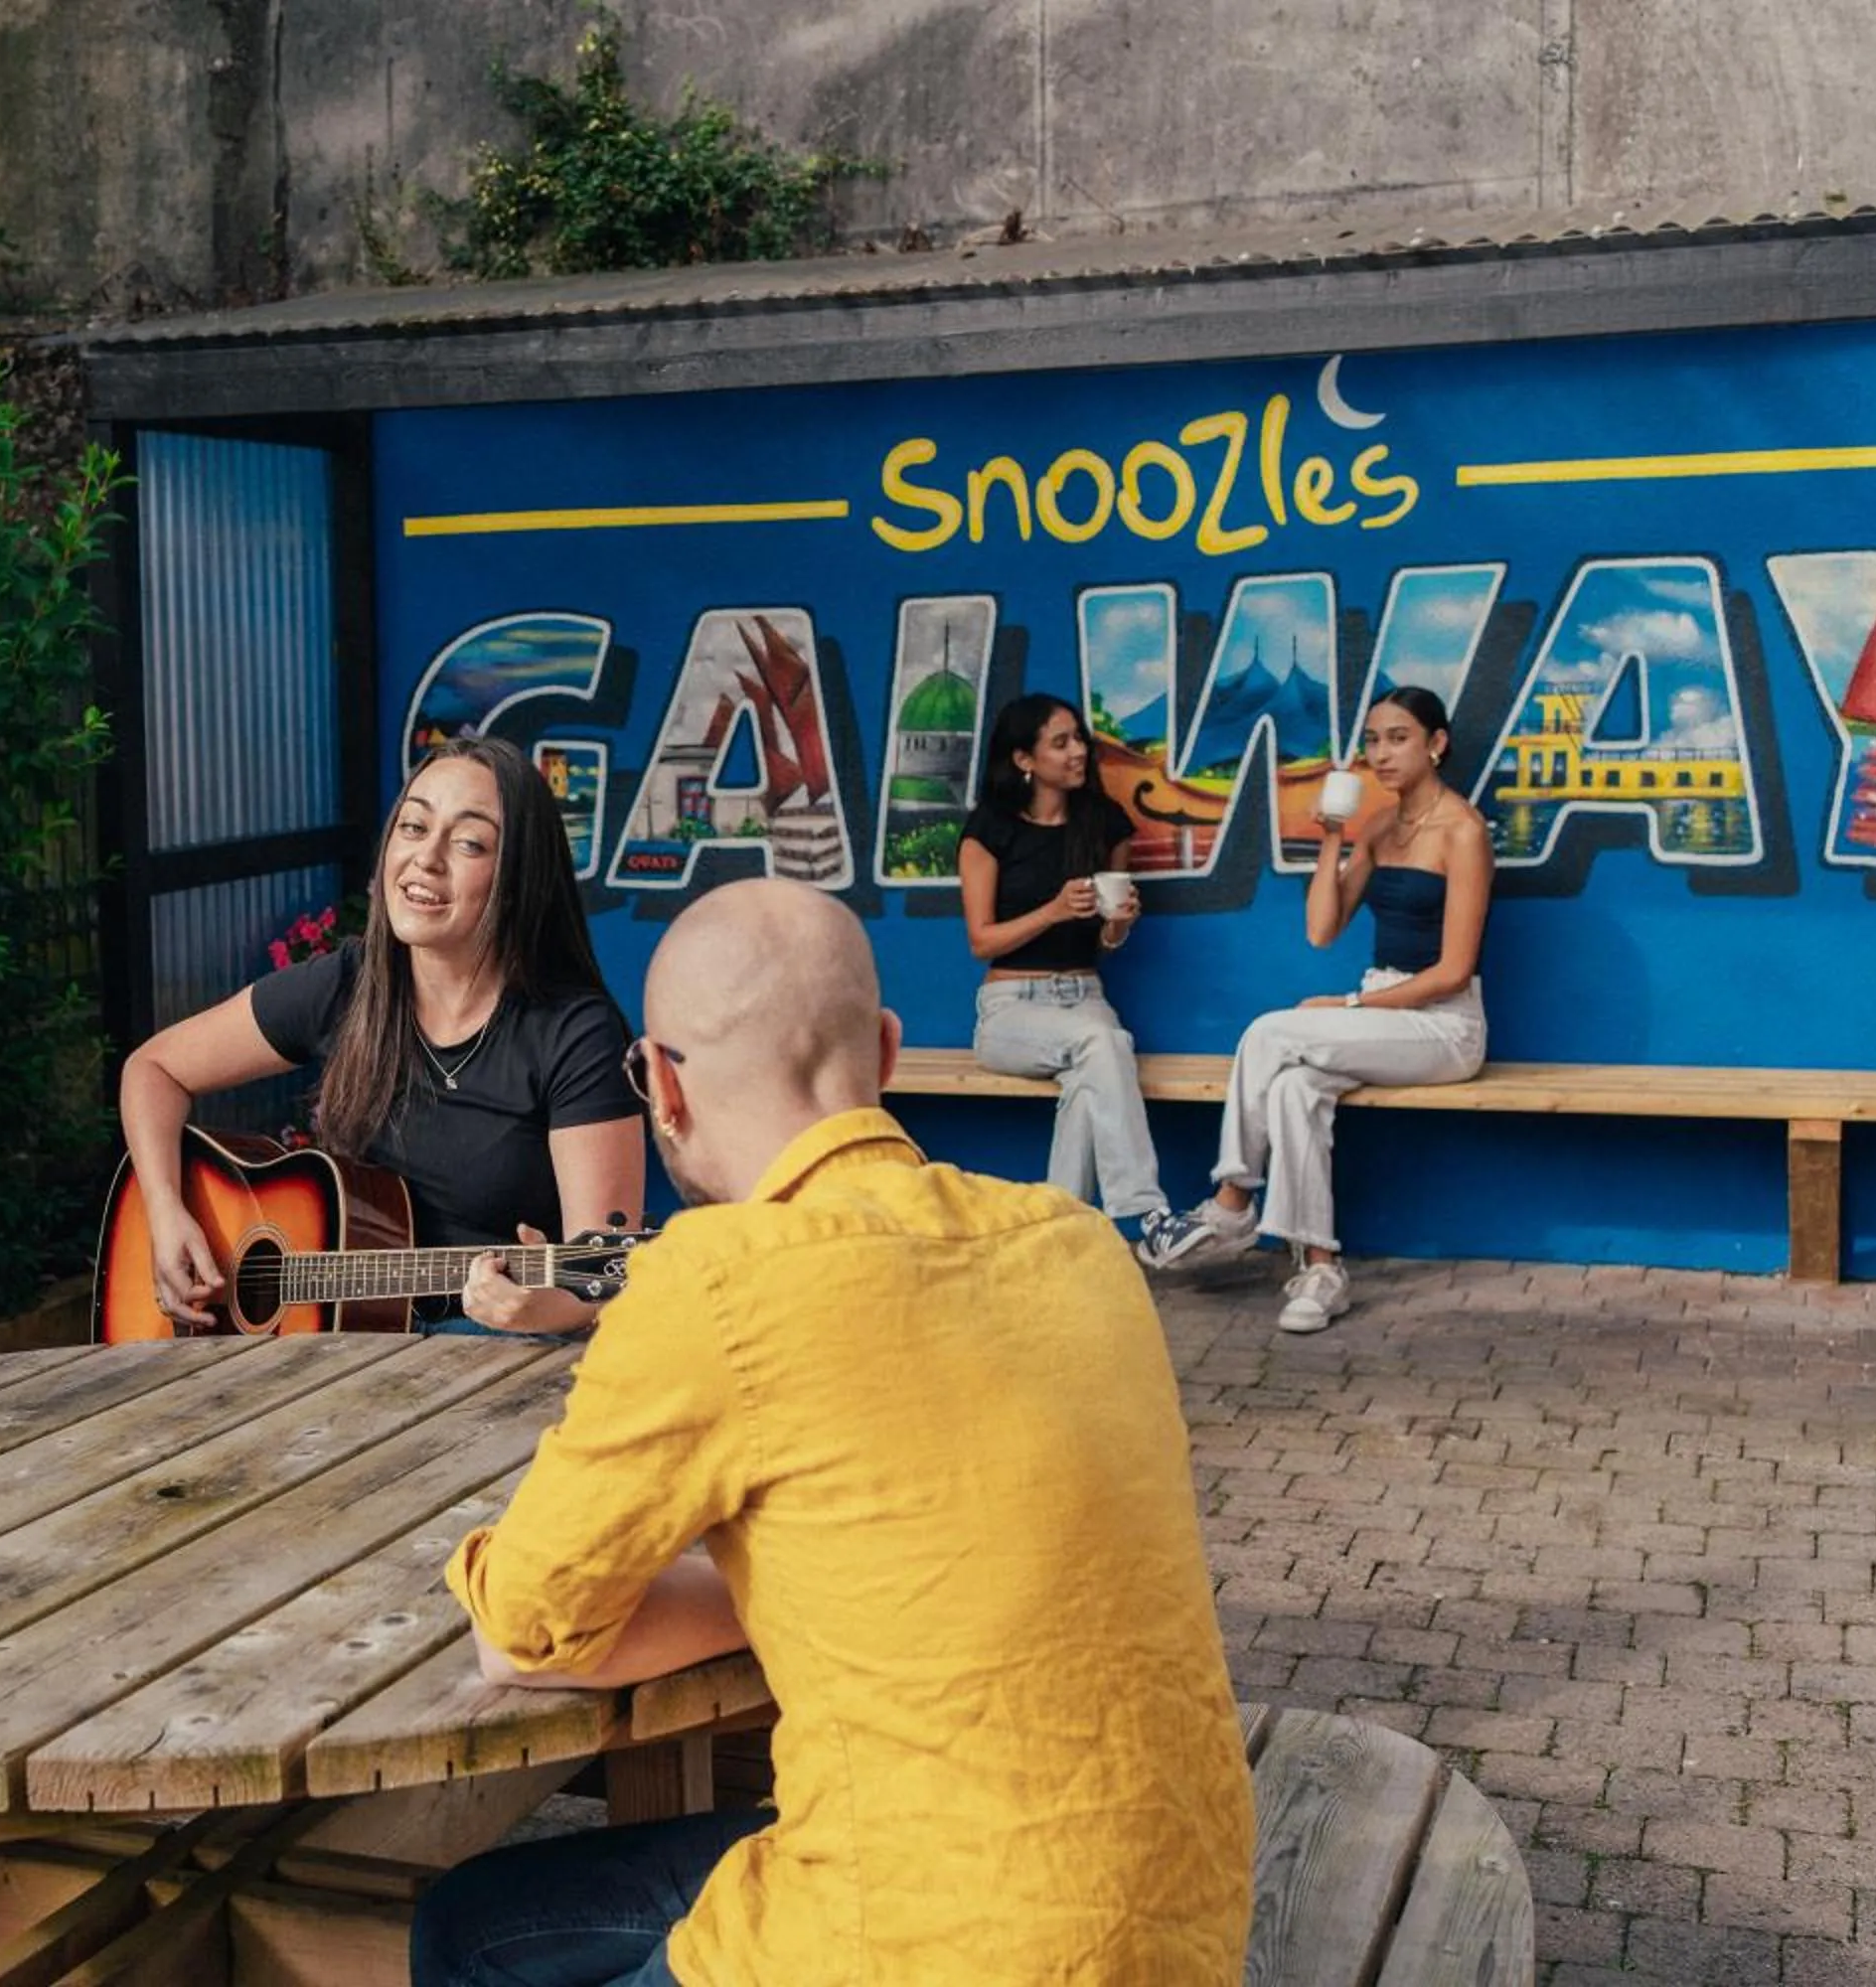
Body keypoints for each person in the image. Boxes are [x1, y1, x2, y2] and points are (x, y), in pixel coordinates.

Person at [411, 879, 1253, 1987]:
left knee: (461, 1933)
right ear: (889, 1052)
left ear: (661, 1083)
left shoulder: (710, 1279)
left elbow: (523, 1634)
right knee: (490, 1915)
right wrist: (841, 1589)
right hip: (1180, 1917)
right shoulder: (1080, 1244)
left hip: (917, 1940)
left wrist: (765, 1594)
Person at [118, 733, 645, 1335]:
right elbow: (153, 1070)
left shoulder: (576, 1034)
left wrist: (542, 1307)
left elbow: (605, 1273)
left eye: (469, 842)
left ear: (521, 877)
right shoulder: (348, 985)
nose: (427, 858)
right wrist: (166, 1213)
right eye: (414, 828)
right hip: (344, 1342)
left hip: (493, 1356)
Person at [1139, 687, 1494, 1331]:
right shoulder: (1382, 827)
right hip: (1381, 1017)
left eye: (1399, 738)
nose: (1380, 753)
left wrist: (1352, 1001)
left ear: (1436, 744)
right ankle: (1321, 1270)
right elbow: (1322, 929)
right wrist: (1332, 835)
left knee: (1270, 1032)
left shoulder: (1463, 832)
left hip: (1443, 1025)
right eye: (1373, 740)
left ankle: (1231, 1199)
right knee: (1294, 1089)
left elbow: (1453, 970)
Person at [956, 691, 1185, 1256]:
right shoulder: (990, 829)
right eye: (1060, 742)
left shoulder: (1104, 824)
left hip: (1086, 994)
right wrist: (1053, 910)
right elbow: (981, 940)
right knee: (1104, 1044)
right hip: (1011, 1007)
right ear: (1024, 760)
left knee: (1094, 1068)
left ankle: (1056, 1242)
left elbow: (1106, 943)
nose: (1078, 751)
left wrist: (1119, 924)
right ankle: (1150, 1215)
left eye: (1078, 738)